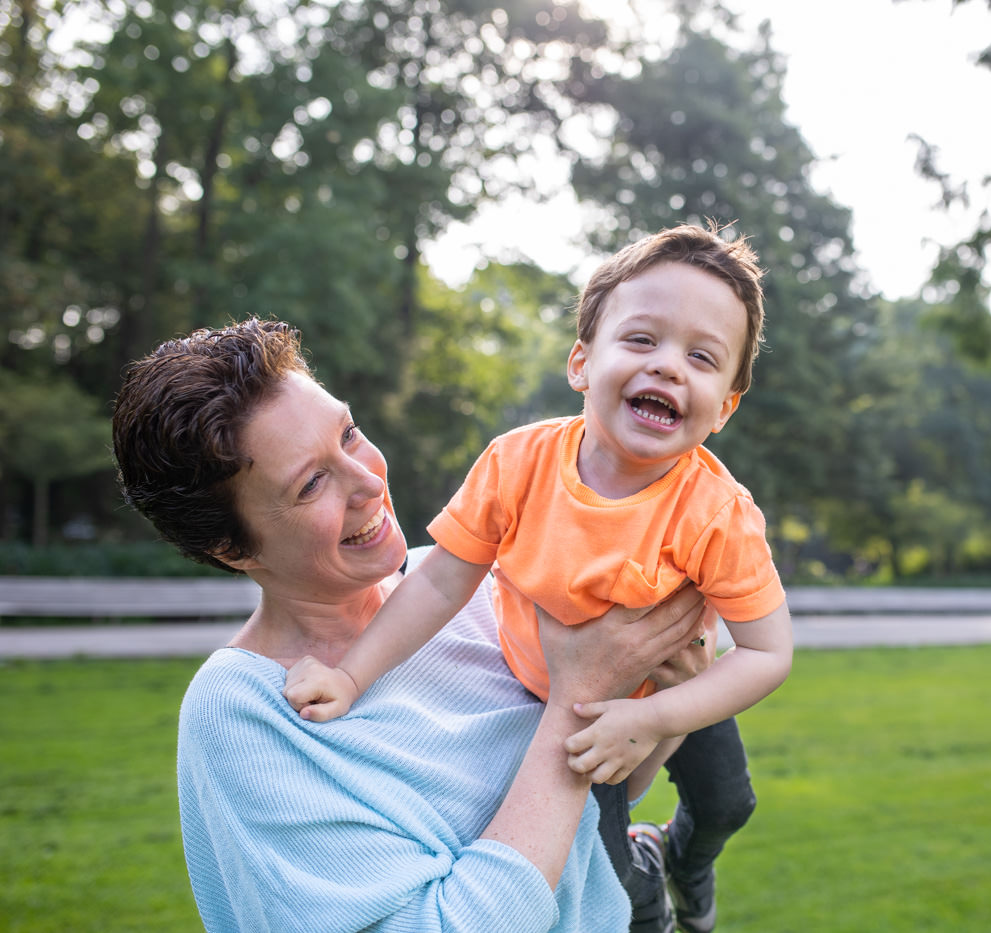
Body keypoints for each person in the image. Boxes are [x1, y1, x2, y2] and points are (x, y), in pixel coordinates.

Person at [111, 317, 714, 933]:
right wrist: (578, 693)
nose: (369, 481)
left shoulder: (485, 586)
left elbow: (600, 800)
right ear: (232, 548)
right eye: (312, 482)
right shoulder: (245, 713)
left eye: (348, 434)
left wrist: (663, 692)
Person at [284, 223, 794, 933]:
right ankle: (647, 877)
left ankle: (687, 861)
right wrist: (351, 674)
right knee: (609, 884)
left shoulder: (717, 514)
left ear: (724, 408)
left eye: (702, 357)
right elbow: (436, 582)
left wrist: (654, 717)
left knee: (729, 802)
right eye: (642, 340)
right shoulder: (516, 465)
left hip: (674, 691)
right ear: (582, 362)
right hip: (567, 704)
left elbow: (769, 652)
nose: (669, 366)